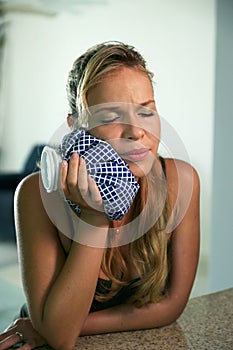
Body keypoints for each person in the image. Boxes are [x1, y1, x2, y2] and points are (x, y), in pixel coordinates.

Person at [0, 41, 200, 350]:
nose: (136, 132)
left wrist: (52, 324)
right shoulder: (36, 196)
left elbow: (172, 305)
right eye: (109, 116)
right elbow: (60, 341)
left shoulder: (181, 181)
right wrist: (95, 215)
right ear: (76, 128)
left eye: (146, 111)